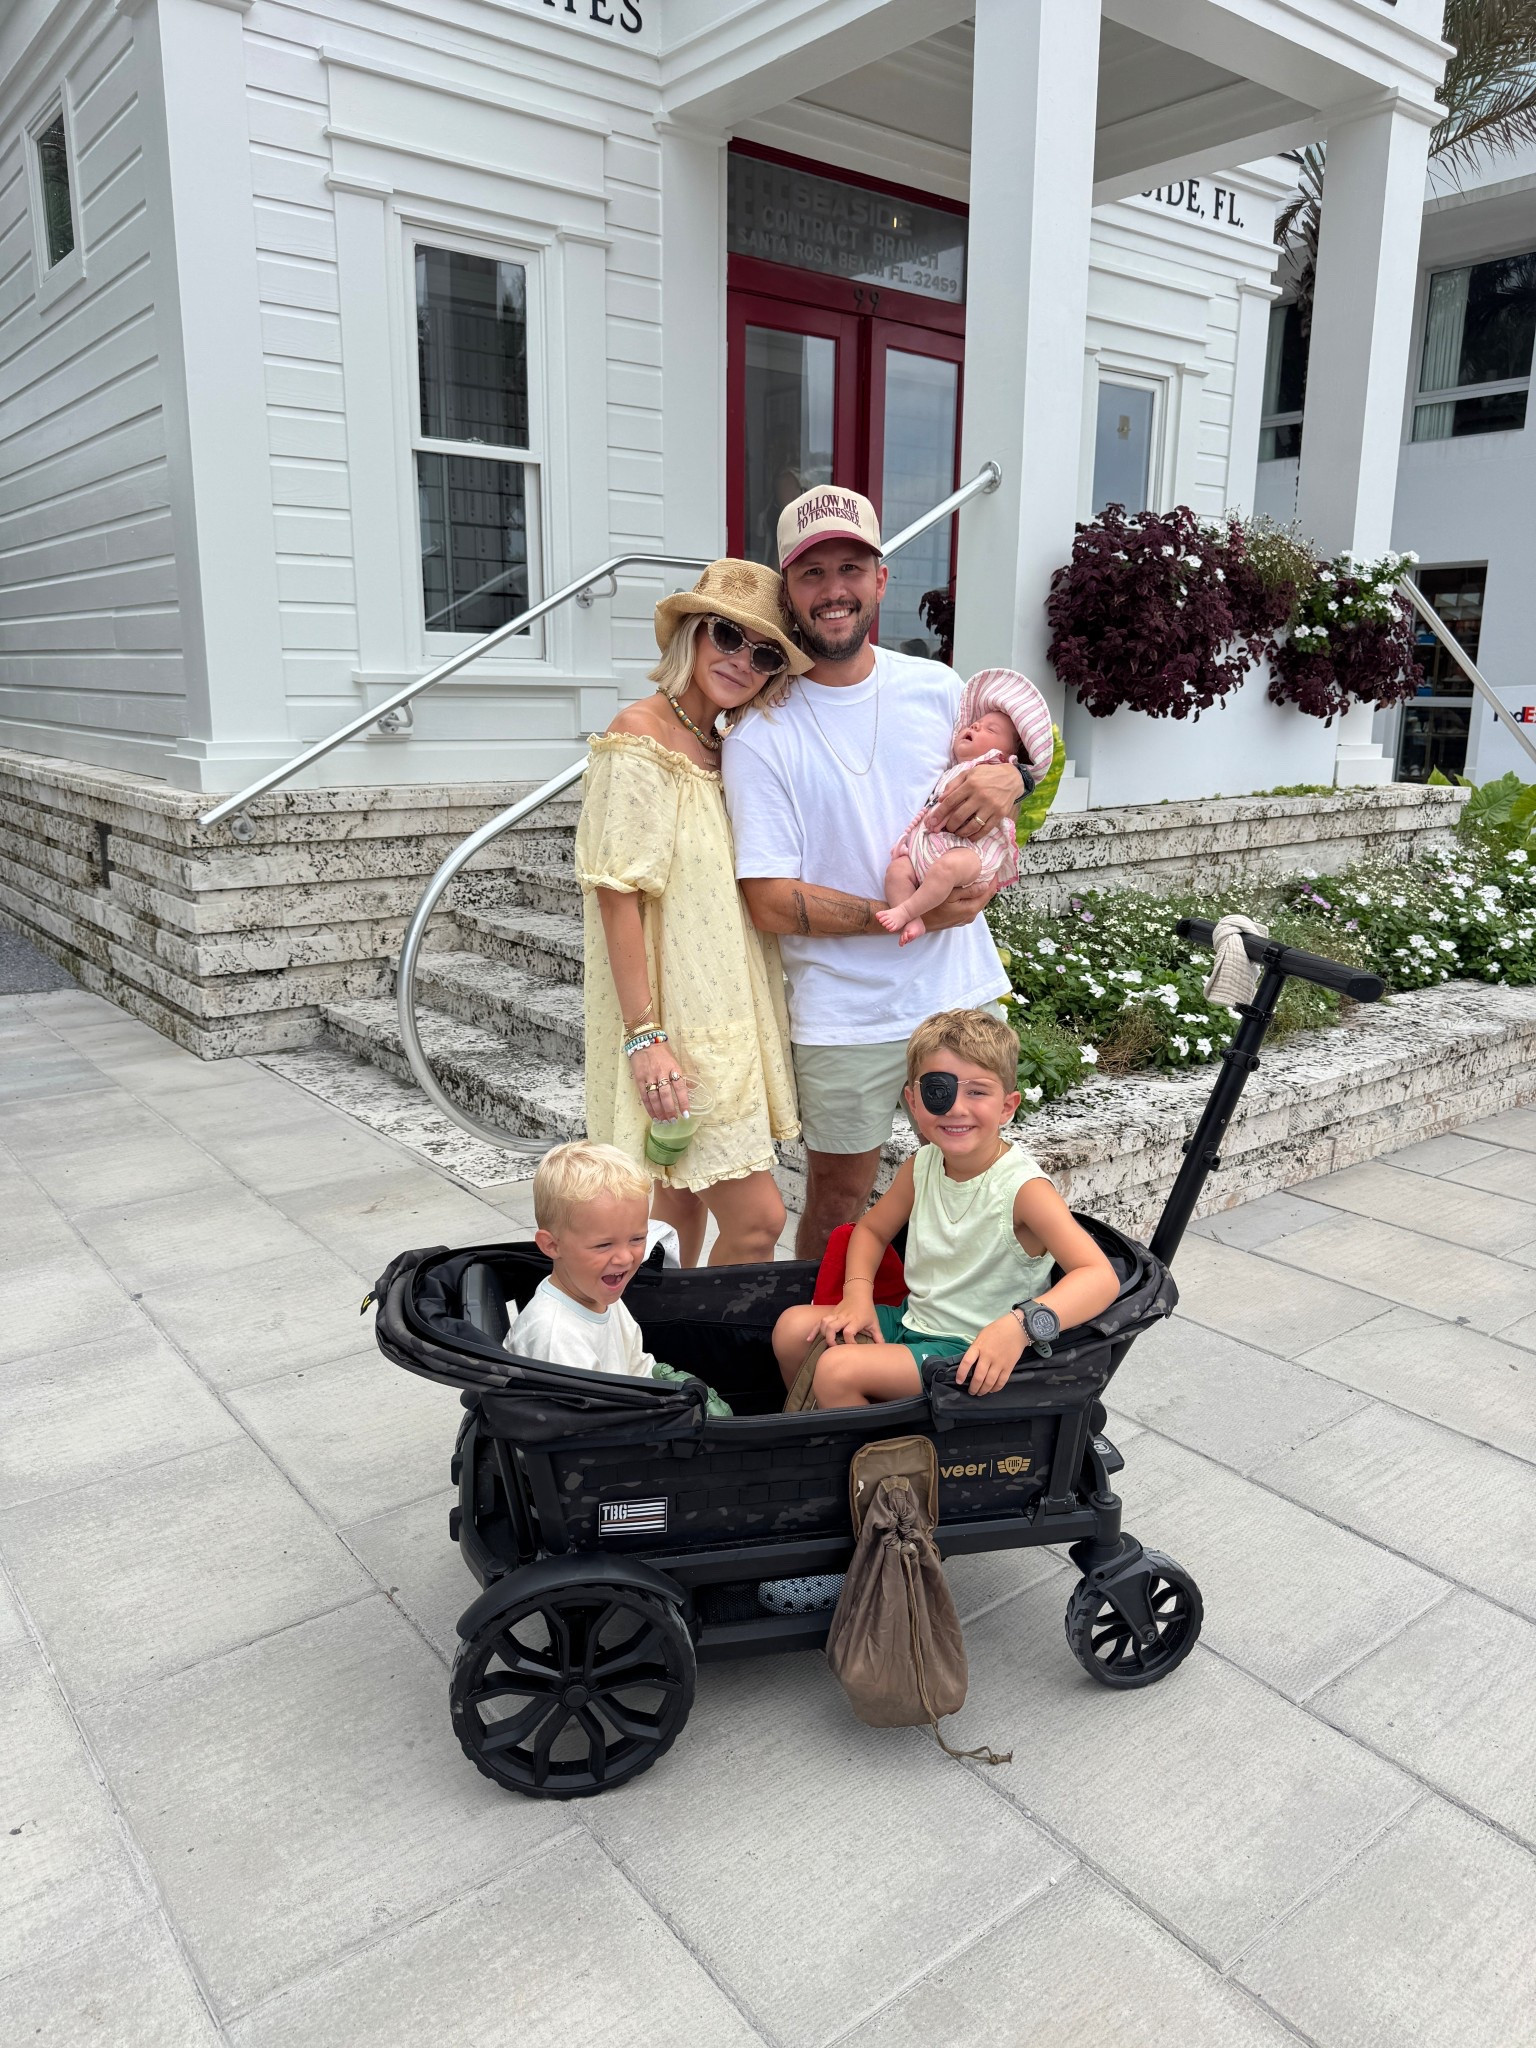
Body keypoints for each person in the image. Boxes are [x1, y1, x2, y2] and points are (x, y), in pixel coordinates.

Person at [722, 486, 1030, 1260]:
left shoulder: (938, 689)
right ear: (787, 591)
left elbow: (1011, 769)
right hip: (844, 1015)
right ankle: (817, 1372)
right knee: (836, 1205)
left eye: (851, 567)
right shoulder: (760, 731)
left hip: (960, 993)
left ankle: (947, 1355)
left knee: (977, 1189)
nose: (834, 590)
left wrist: (1019, 780)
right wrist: (903, 914)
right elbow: (765, 899)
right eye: (812, 572)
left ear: (881, 579)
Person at [576, 558, 811, 1266]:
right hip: (677, 1026)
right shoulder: (640, 738)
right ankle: (725, 1360)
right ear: (691, 634)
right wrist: (645, 1037)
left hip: (729, 1007)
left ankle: (671, 1364)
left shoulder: (724, 747)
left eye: (764, 652)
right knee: (759, 1221)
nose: (742, 660)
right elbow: (617, 895)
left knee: (673, 1221)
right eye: (726, 637)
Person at [771, 1010, 1119, 1407]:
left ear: (1007, 1107)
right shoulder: (922, 1165)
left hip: (973, 1350)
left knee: (838, 1370)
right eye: (940, 1090)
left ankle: (883, 1462)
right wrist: (857, 1296)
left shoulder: (1024, 1189)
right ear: (914, 1101)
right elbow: (869, 1231)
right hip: (914, 1322)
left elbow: (1099, 1277)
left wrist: (1019, 1328)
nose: (956, 1108)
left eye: (977, 1092)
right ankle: (823, 1427)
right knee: (792, 1329)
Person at [507, 1140, 730, 1413]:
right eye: (603, 1245)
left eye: (637, 1238)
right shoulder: (557, 1337)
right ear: (552, 1245)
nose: (625, 1258)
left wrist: (666, 1382)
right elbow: (585, 1428)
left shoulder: (597, 1293)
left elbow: (635, 1364)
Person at [879, 668, 1054, 945]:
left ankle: (908, 910)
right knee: (896, 871)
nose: (975, 726)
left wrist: (1017, 776)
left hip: (969, 854)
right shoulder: (953, 767)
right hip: (926, 849)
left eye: (990, 729)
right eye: (976, 723)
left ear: (1009, 755)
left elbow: (1022, 776)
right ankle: (912, 920)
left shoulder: (996, 767)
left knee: (948, 868)